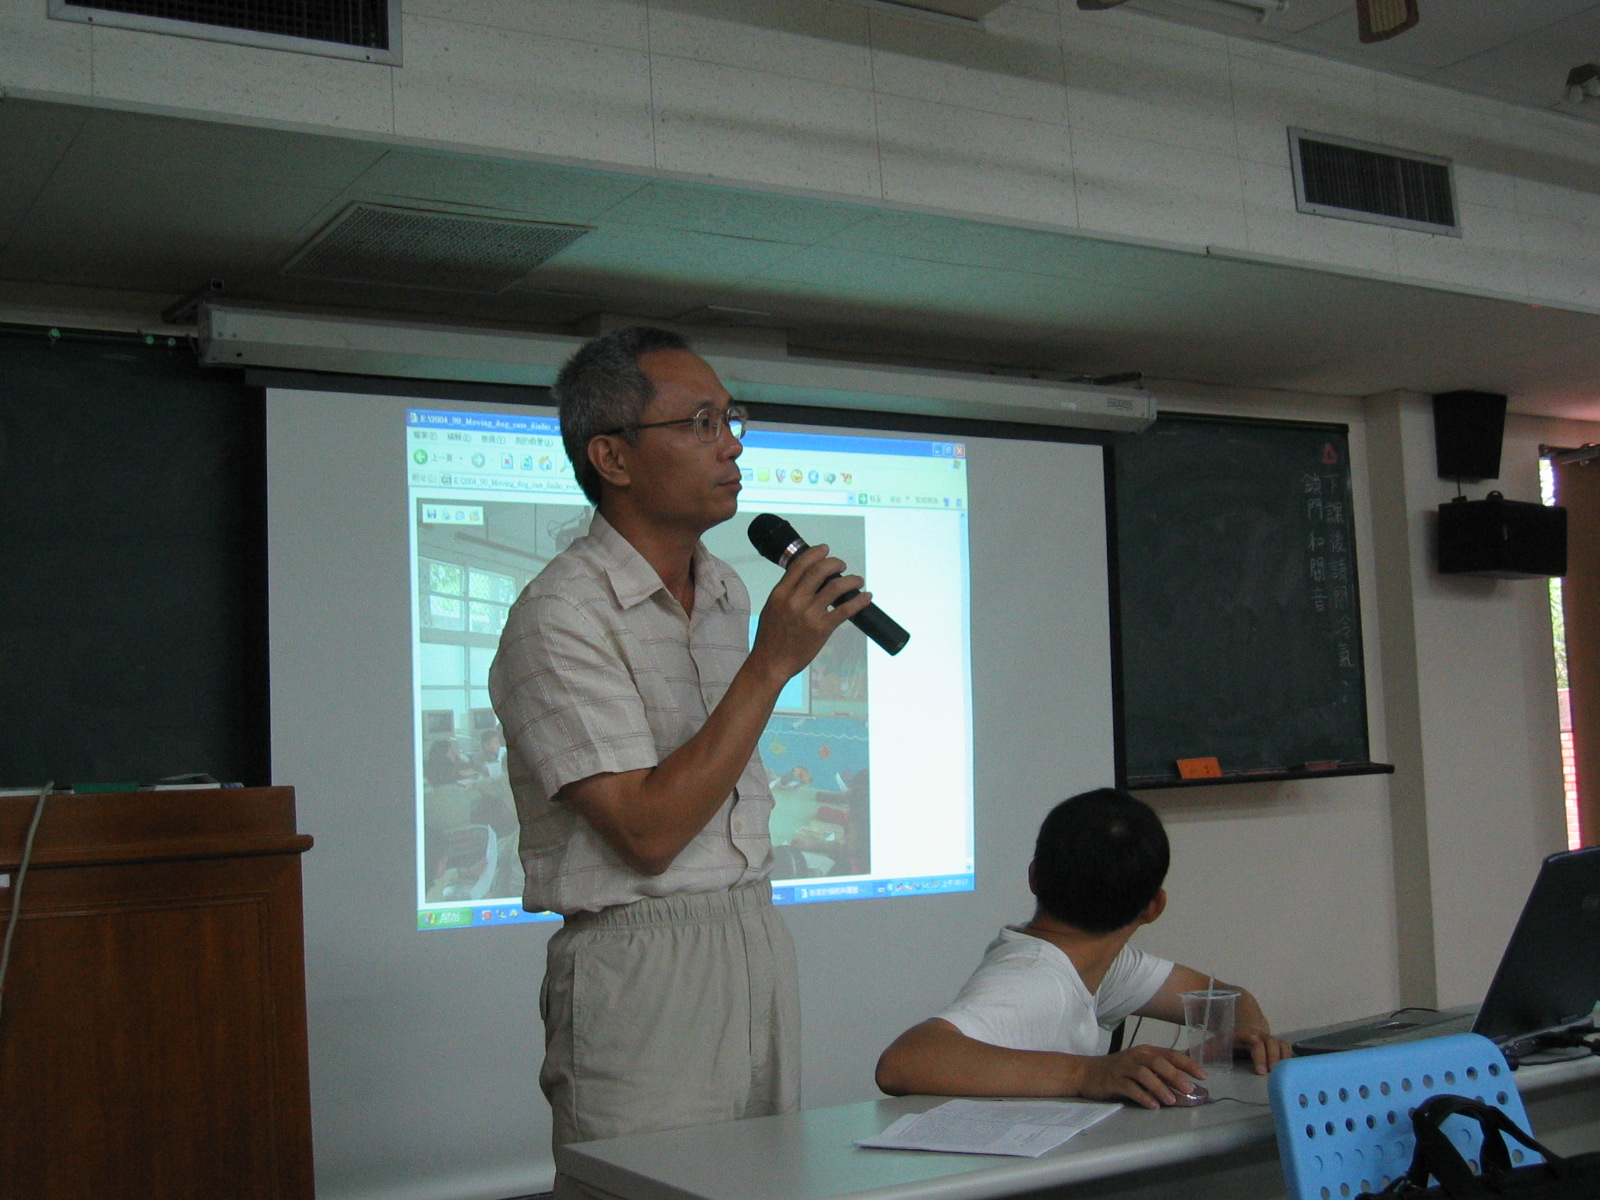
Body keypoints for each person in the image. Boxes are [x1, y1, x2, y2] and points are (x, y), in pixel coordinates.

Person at [488, 326, 872, 1169]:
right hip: (641, 960)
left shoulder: (726, 587)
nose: (731, 444)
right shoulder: (560, 614)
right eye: (700, 423)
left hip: (753, 933)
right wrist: (771, 666)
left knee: (767, 1182)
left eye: (732, 418)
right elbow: (647, 833)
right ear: (612, 457)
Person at [875, 787, 1291, 1108]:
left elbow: (1227, 999)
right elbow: (903, 1062)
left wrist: (1249, 1037)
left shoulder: (1107, 966)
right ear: (1154, 907)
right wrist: (1085, 1074)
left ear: (1034, 876)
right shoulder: (1031, 981)